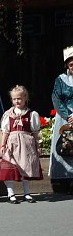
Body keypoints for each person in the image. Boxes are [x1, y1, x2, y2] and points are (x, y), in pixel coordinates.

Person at [0, 85, 42, 204]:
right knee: (10, 170)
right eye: (14, 99)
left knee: (26, 168)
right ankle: (10, 194)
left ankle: (26, 193)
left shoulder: (31, 114)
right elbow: (5, 131)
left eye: (19, 98)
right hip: (12, 145)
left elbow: (35, 132)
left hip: (26, 145)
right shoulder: (8, 115)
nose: (17, 101)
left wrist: (37, 146)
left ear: (25, 98)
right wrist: (3, 145)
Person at [50, 45, 73, 192]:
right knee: (64, 146)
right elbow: (56, 98)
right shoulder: (60, 79)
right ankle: (63, 181)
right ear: (67, 65)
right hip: (65, 118)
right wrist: (69, 115)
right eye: (71, 64)